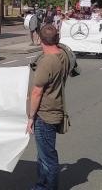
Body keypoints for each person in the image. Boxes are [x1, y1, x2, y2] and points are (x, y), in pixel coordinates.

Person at [27, 25, 70, 190]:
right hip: (56, 110)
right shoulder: (63, 56)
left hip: (45, 115)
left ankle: (46, 187)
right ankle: (42, 184)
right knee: (44, 154)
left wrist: (31, 117)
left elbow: (37, 92)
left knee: (47, 157)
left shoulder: (46, 62)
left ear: (40, 39)